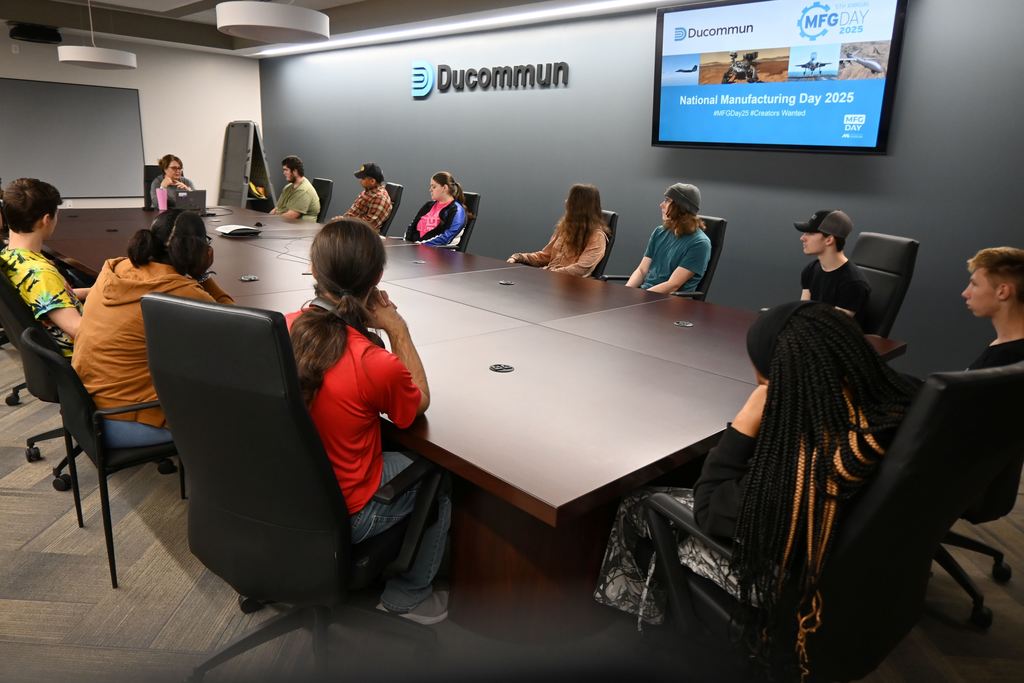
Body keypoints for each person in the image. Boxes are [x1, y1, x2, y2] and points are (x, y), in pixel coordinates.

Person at [594, 302, 915, 678]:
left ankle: (646, 627)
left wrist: (746, 421)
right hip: (866, 582)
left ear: (779, 376)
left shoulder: (806, 467)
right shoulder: (897, 405)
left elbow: (711, 511)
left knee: (641, 501)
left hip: (783, 579)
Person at [287, 218, 451, 624]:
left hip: (277, 495)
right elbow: (417, 406)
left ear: (314, 269)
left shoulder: (278, 327)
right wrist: (398, 328)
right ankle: (407, 597)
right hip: (344, 512)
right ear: (377, 278)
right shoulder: (372, 362)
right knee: (440, 477)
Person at [71, 210, 233, 448]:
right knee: (234, 391)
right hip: (126, 418)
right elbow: (235, 331)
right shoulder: (182, 292)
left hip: (85, 406)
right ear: (197, 249)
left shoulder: (115, 269)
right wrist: (202, 274)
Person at [0, 178, 88, 357]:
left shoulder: (10, 257)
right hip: (84, 359)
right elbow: (78, 329)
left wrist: (95, 290)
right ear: (46, 220)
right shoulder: (41, 274)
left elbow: (52, 297)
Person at [507, 184, 609, 277]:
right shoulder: (565, 229)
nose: (566, 202)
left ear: (578, 206)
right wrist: (519, 257)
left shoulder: (597, 237)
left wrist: (547, 273)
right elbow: (545, 256)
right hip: (551, 280)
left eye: (570, 199)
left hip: (574, 289)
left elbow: (581, 269)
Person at [624, 183, 711, 293]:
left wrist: (640, 299)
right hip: (647, 296)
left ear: (681, 207)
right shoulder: (659, 232)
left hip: (671, 303)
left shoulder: (700, 243)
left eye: (667, 200)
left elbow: (673, 285)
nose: (661, 205)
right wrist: (626, 293)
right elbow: (642, 271)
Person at [796, 209, 871, 326]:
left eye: (810, 233)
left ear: (829, 240)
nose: (802, 238)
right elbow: (803, 312)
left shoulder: (853, 283)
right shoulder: (810, 269)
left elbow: (833, 329)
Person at [962, 246, 1024, 369]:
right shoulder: (1001, 350)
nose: (965, 293)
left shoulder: (1006, 359)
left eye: (974, 284)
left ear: (1002, 292)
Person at [403, 171, 469, 248]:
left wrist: (422, 245)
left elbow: (447, 236)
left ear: (444, 188)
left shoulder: (456, 210)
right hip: (415, 249)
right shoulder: (428, 205)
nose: (430, 190)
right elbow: (412, 226)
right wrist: (406, 243)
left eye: (434, 187)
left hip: (439, 253)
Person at [332, 162, 393, 232]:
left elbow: (367, 226)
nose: (360, 180)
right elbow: (353, 215)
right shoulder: (367, 192)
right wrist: (342, 220)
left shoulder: (380, 197)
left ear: (372, 181)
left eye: (363, 178)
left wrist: (344, 223)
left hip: (361, 237)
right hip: (350, 229)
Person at [271, 155, 320, 222]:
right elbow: (277, 208)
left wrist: (272, 221)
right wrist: (266, 220)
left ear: (295, 171)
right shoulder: (288, 187)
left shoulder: (303, 191)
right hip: (285, 225)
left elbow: (291, 216)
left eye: (286, 170)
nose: (284, 173)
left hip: (299, 229)